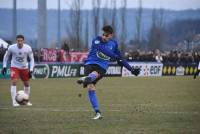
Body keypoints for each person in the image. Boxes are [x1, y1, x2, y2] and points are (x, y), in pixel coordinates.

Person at [77, 25, 140, 120]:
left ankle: (97, 111)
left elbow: (121, 59)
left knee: (92, 82)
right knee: (91, 85)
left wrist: (131, 69)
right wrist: (114, 56)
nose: (104, 37)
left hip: (102, 67)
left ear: (111, 35)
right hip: (90, 64)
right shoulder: (96, 40)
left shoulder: (114, 44)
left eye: (106, 35)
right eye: (103, 34)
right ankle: (98, 112)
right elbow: (103, 50)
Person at [1, 35, 34, 107]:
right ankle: (14, 102)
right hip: (14, 67)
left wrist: (31, 70)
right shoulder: (11, 48)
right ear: (16, 41)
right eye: (18, 41)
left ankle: (26, 101)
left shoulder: (28, 48)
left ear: (23, 41)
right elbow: (6, 57)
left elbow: (32, 59)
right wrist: (4, 66)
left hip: (24, 68)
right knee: (14, 82)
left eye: (21, 41)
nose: (19, 42)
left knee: (27, 84)